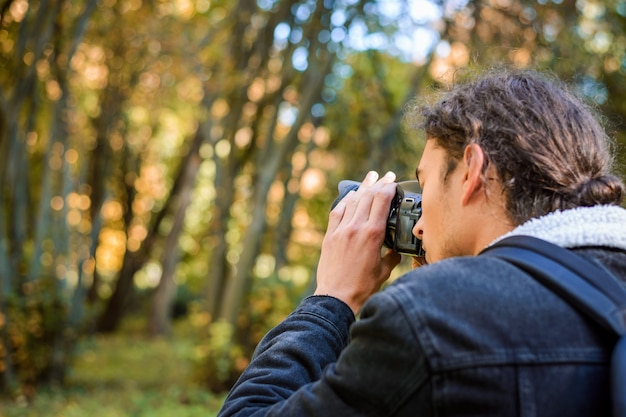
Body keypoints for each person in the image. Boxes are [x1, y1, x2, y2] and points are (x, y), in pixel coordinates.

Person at [217, 69, 626, 416]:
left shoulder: (434, 316)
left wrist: (332, 300)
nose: (417, 229)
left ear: (471, 171)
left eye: (425, 184)